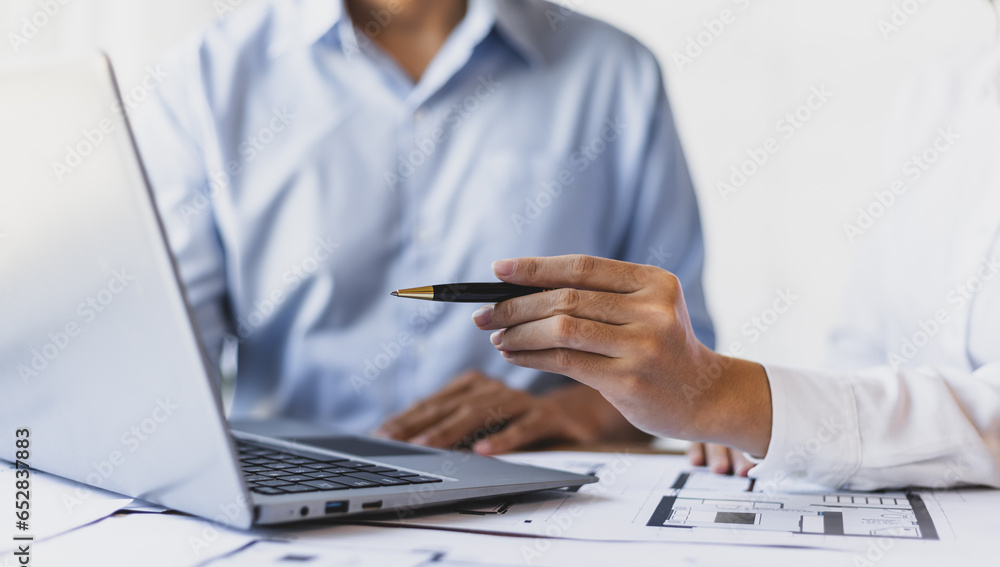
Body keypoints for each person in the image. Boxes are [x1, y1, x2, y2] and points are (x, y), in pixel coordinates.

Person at [132, 0, 714, 454]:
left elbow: (682, 365)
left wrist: (573, 413)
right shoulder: (206, 80)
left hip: (534, 492)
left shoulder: (614, 74)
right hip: (293, 502)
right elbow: (165, 379)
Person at [472, 41, 1000, 489]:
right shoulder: (941, 93)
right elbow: (864, 355)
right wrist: (775, 430)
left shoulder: (614, 68)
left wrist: (737, 402)